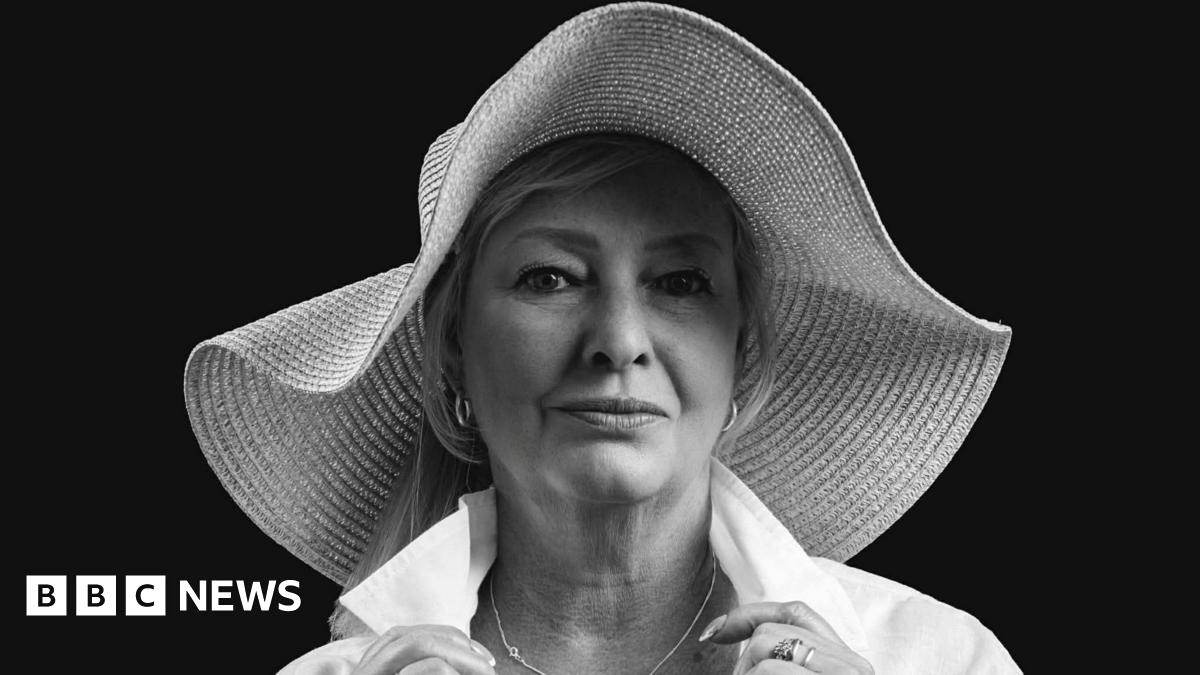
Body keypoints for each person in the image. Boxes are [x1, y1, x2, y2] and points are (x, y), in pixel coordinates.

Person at [183, 4, 1018, 673]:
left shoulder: (937, 658)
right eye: (550, 277)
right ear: (451, 352)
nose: (619, 341)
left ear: (743, 356)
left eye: (681, 281)